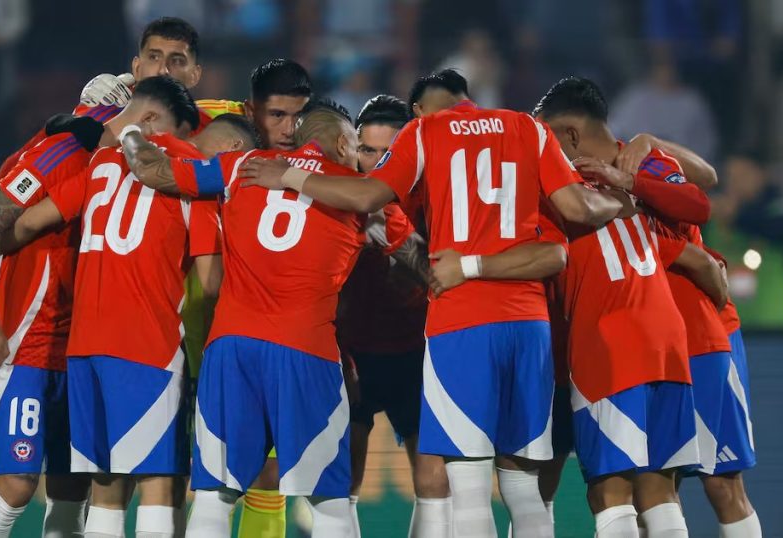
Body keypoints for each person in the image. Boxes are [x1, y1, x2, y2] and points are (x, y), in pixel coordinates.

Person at [238, 69, 625, 538]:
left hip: (460, 320)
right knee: (524, 487)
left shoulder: (425, 133)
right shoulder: (529, 128)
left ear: (419, 110)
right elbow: (579, 212)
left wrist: (290, 174)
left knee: (467, 485)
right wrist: (623, 198)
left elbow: (367, 194)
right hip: (528, 322)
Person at [2, 81, 256, 538]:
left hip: (83, 349)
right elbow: (211, 281)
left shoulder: (101, 162)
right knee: (158, 484)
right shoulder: (194, 176)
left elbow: (26, 222)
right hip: (146, 345)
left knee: (106, 487)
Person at [118, 99, 364, 537]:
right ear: (342, 142)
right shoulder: (361, 190)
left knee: (215, 500)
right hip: (307, 349)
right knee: (329, 503)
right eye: (358, 144)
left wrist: (129, 131)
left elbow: (151, 170)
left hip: (231, 347)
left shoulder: (243, 163)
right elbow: (414, 250)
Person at [533, 76, 737, 538]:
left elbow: (700, 193)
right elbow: (699, 198)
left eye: (543, 137)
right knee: (659, 489)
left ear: (567, 135)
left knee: (610, 492)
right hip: (668, 342)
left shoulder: (562, 190)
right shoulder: (636, 184)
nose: (539, 150)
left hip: (610, 342)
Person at [340, 94, 450, 536]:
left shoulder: (436, 200)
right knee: (342, 480)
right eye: (367, 150)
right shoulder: (338, 196)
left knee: (434, 480)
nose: (376, 162)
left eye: (389, 153)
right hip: (352, 356)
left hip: (416, 354)